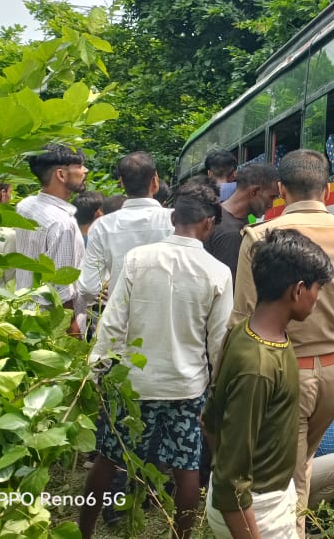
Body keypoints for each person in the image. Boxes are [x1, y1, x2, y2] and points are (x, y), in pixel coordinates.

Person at [230, 149, 334, 533]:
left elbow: (241, 321)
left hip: (280, 377)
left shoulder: (260, 237)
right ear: (328, 190)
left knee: (288, 479)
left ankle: (290, 525)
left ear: (281, 189)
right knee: (301, 463)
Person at [81, 182, 234, 539]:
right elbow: (218, 341)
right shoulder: (216, 272)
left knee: (108, 458)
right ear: (209, 224)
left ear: (173, 218)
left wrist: (98, 370)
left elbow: (113, 320)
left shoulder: (138, 259)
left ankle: (83, 532)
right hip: (185, 386)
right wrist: (214, 385)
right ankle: (180, 536)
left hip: (133, 384)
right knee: (185, 468)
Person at [204, 228, 334, 539]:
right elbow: (230, 482)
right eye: (318, 288)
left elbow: (209, 421)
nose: (318, 298)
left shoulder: (250, 332)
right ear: (299, 290)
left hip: (265, 498)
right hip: (258, 510)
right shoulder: (258, 366)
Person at [76, 152, 174, 333]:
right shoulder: (175, 221)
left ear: (122, 182)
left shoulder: (102, 226)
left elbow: (88, 287)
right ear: (155, 181)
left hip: (120, 329)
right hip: (169, 327)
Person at [13, 144, 88, 336]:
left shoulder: (25, 206)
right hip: (50, 326)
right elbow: (62, 292)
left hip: (22, 313)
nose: (85, 171)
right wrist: (74, 333)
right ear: (61, 175)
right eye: (79, 166)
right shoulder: (62, 224)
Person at [206, 163, 279, 277]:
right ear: (254, 192)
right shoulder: (231, 233)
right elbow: (230, 285)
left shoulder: (219, 214)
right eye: (272, 197)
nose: (272, 205)